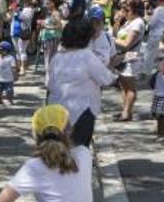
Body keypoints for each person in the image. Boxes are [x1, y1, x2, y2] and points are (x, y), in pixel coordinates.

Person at [47, 19, 118, 147]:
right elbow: (105, 79)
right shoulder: (87, 56)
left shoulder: (57, 57)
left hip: (57, 109)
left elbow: (49, 84)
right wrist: (116, 73)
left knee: (61, 149)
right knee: (79, 150)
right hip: (82, 111)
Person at [113, 0, 146, 121]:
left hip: (132, 56)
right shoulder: (128, 22)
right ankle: (124, 110)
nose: (124, 12)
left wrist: (111, 40)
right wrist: (117, 22)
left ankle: (127, 112)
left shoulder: (137, 23)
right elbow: (117, 34)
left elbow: (127, 43)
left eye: (127, 9)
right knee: (123, 85)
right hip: (124, 56)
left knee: (130, 85)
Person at [40, 0, 65, 84]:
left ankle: (50, 80)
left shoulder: (55, 13)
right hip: (49, 38)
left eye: (48, 2)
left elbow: (59, 26)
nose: (46, 4)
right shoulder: (52, 13)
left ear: (53, 4)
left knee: (50, 60)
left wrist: (46, 26)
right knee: (49, 59)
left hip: (52, 39)